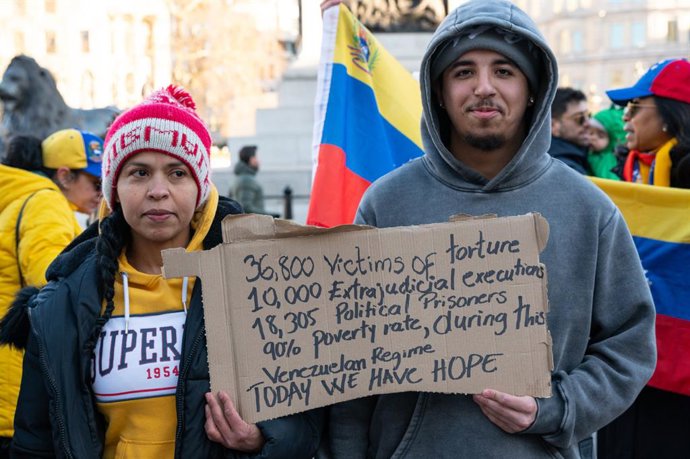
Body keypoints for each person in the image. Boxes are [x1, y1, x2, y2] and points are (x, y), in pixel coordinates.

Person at [320, 0, 656, 458]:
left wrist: (557, 408)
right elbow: (350, 360)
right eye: (463, 72)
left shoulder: (589, 209)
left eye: (503, 71)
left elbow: (629, 346)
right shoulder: (386, 202)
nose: (483, 88)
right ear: (438, 90)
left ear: (533, 89)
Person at [0, 86, 322, 458]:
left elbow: (308, 419)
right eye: (139, 173)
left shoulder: (259, 286)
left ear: (200, 187)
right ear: (115, 189)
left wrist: (262, 437)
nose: (158, 190)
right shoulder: (62, 305)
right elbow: (35, 442)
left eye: (177, 173)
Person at [596, 57, 690, 458]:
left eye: (636, 108)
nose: (626, 119)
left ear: (671, 116)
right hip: (630, 356)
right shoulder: (628, 173)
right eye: (624, 110)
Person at [0, 129, 102, 458]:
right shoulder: (46, 202)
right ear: (64, 175)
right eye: (95, 183)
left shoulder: (20, 199)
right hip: (15, 389)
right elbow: (53, 289)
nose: (101, 193)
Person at [605, 57, 690, 188]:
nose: (625, 116)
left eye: (634, 107)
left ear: (668, 115)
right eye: (626, 108)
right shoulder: (628, 167)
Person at [548, 87, 592, 174]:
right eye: (580, 118)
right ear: (553, 126)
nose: (588, 124)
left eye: (589, 116)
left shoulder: (579, 156)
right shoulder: (565, 169)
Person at [586, 107, 626, 180]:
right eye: (590, 133)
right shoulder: (590, 154)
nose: (592, 138)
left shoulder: (612, 161)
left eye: (600, 136)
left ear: (613, 140)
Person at [233, 145, 274, 215]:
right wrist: (269, 215)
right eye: (256, 157)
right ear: (251, 159)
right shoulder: (246, 180)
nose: (258, 161)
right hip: (251, 224)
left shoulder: (241, 177)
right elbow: (246, 208)